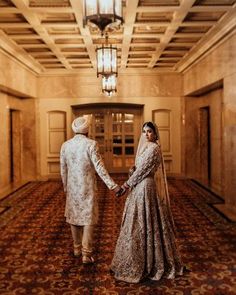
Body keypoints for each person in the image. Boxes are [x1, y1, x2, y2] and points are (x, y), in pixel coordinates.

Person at [111, 121, 184, 283]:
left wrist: (125, 185)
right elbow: (138, 169)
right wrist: (132, 171)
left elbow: (143, 171)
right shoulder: (144, 148)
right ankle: (134, 260)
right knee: (136, 223)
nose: (146, 134)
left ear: (155, 134)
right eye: (144, 131)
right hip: (138, 186)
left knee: (146, 222)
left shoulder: (154, 149)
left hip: (145, 187)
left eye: (149, 131)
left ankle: (151, 262)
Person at [60, 115, 120, 264]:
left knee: (73, 216)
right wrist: (112, 185)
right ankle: (86, 254)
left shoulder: (65, 145)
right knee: (88, 218)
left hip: (72, 187)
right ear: (87, 130)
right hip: (87, 187)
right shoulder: (91, 144)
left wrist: (66, 187)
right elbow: (100, 168)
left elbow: (63, 169)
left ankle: (76, 248)